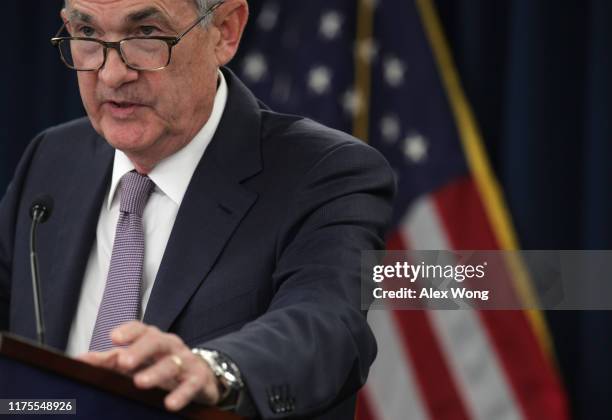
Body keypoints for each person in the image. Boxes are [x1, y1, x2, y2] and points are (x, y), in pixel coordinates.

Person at [0, 0, 395, 418]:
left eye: (147, 34)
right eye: (88, 34)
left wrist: (213, 371)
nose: (112, 74)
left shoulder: (325, 173)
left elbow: (327, 323)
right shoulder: (53, 158)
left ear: (225, 31)